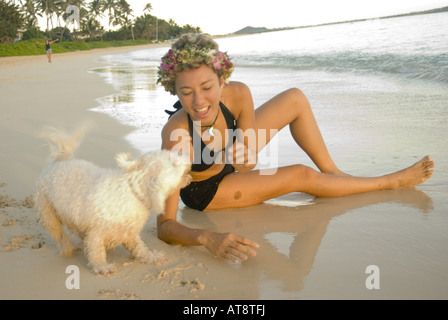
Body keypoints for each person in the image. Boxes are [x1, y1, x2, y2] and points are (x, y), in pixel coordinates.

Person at [156, 33, 434, 264]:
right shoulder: (176, 135)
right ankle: (391, 181)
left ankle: (333, 172)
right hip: (208, 190)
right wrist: (206, 237)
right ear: (174, 90)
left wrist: (242, 151)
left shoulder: (239, 94)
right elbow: (165, 224)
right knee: (300, 175)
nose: (199, 101)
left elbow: (248, 164)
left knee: (295, 99)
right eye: (186, 92)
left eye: (207, 87)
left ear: (222, 79)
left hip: (232, 162)